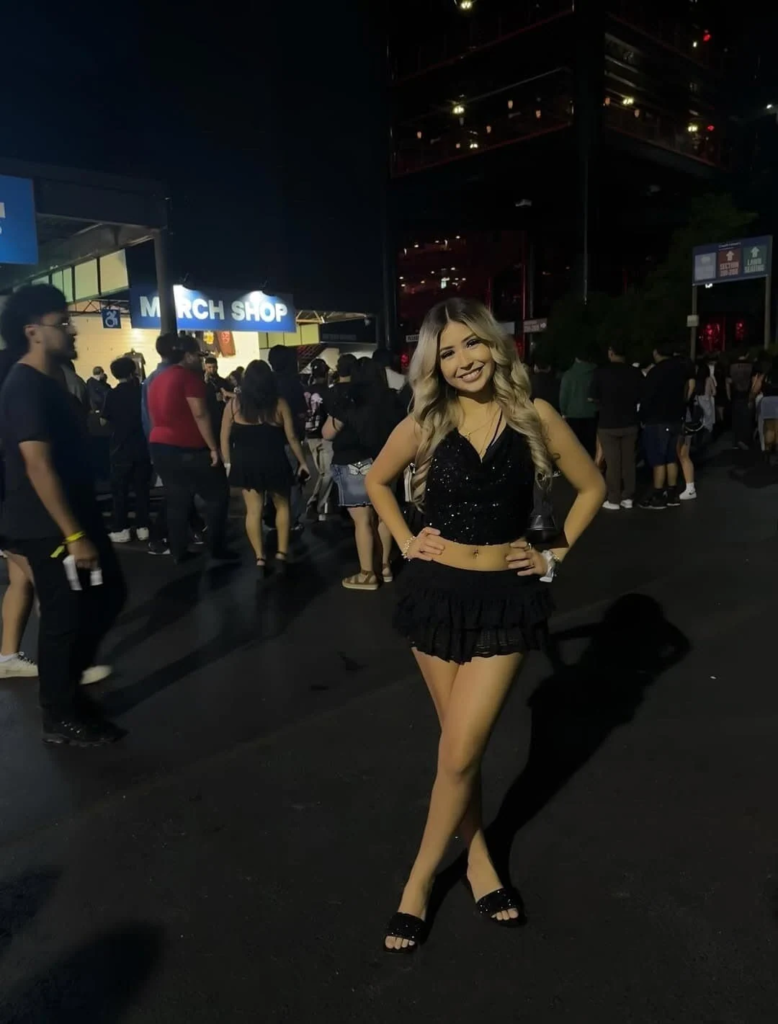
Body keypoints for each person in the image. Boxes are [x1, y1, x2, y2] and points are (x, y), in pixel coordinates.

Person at [365, 297, 604, 952]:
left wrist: (553, 554)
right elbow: (377, 482)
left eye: (472, 345)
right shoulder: (427, 421)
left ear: (496, 347)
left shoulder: (535, 416)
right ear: (433, 365)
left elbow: (592, 488)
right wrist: (405, 539)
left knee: (461, 750)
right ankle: (478, 863)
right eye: (447, 352)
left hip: (506, 596)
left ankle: (417, 881)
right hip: (434, 594)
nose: (463, 360)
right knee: (456, 752)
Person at [0, 284, 126, 745]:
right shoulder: (23, 384)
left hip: (73, 514)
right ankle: (59, 714)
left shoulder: (51, 381)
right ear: (33, 331)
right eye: (63, 323)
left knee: (108, 595)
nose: (72, 330)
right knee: (63, 616)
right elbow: (37, 463)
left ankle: (68, 694)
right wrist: (73, 534)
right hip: (47, 525)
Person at [147, 333, 235, 564]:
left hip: (160, 445)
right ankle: (216, 548)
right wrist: (213, 447)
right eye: (197, 354)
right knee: (217, 496)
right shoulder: (189, 378)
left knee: (177, 499)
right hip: (188, 447)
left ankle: (178, 550)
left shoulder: (156, 380)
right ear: (187, 356)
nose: (199, 359)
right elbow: (200, 413)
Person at [221, 361, 309, 575]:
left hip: (246, 462)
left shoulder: (234, 405)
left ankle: (260, 557)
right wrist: (303, 462)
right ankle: (281, 552)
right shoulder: (279, 404)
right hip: (274, 460)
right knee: (282, 505)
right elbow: (292, 438)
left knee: (253, 511)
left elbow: (224, 436)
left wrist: (228, 463)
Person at [324, 359, 404, 590]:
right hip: (387, 462)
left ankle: (367, 573)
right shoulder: (392, 399)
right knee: (383, 515)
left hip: (353, 463)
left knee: (362, 521)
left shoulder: (351, 400)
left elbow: (328, 433)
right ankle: (385, 566)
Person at [638, 342, 695, 510]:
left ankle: (658, 494)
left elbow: (647, 398)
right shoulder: (681, 369)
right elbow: (686, 392)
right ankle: (672, 493)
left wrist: (642, 417)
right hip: (676, 418)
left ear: (657, 352)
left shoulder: (655, 372)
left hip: (657, 420)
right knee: (671, 457)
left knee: (658, 459)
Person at [103, 357, 152, 542]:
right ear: (133, 371)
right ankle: (143, 526)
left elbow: (105, 420)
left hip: (120, 449)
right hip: (141, 447)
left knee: (120, 491)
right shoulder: (141, 392)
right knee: (142, 489)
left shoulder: (111, 395)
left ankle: (121, 528)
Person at [591, 342, 644, 510]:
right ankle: (628, 497)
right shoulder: (635, 373)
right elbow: (642, 395)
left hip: (608, 423)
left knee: (613, 462)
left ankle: (613, 498)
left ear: (611, 352)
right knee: (629, 461)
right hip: (630, 422)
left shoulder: (601, 373)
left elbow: (592, 397)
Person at [268, 346, 308, 530]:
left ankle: (271, 518)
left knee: (271, 483)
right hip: (288, 442)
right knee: (293, 482)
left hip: (267, 442)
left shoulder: (264, 383)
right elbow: (300, 415)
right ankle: (291, 520)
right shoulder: (293, 384)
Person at [303, 359, 334, 519]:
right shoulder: (328, 392)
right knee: (328, 473)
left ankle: (315, 504)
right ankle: (317, 505)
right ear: (326, 373)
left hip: (310, 436)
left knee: (323, 473)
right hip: (325, 436)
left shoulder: (305, 392)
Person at [559, 352, 597, 456]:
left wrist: (563, 412)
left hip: (573, 416)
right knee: (590, 449)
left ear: (576, 359)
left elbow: (563, 397)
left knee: (575, 450)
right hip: (591, 416)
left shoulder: (568, 375)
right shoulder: (594, 373)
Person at [727, 350, 755, 450]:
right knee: (746, 420)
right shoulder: (750, 367)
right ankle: (745, 440)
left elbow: (728, 382)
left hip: (736, 396)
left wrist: (729, 396)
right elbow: (754, 381)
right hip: (747, 396)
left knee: (736, 419)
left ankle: (737, 441)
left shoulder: (732, 367)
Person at [204, 355, 228, 437]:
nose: (212, 370)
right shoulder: (202, 382)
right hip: (208, 412)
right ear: (205, 367)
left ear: (217, 367)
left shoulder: (223, 382)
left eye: (214, 367)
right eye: (209, 367)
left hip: (221, 412)